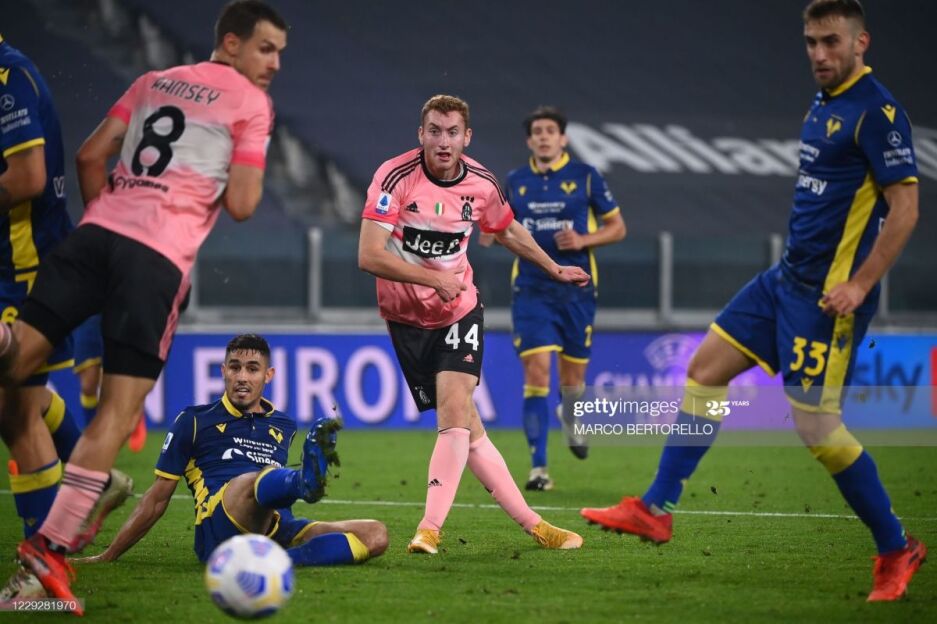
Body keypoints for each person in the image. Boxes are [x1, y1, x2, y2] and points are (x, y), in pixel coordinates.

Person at [581, 0, 925, 601]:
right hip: (783, 281)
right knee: (705, 370)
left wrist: (861, 284)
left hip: (827, 300)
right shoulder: (822, 103)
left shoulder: (877, 113)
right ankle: (656, 509)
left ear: (861, 42)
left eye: (831, 41)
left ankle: (897, 548)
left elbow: (906, 210)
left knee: (818, 429)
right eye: (811, 41)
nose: (819, 53)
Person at [0, 1, 286, 612]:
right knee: (115, 412)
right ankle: (52, 545)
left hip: (94, 237)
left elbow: (89, 156)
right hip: (156, 260)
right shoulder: (252, 104)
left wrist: (108, 224)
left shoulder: (154, 81)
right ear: (231, 44)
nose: (275, 64)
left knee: (14, 362)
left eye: (280, 53)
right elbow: (241, 204)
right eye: (266, 48)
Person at [358, 94, 589, 555]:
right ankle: (536, 525)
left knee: (454, 407)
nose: (443, 142)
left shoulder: (482, 184)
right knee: (469, 426)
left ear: (467, 137)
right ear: (421, 134)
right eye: (435, 131)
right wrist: (432, 279)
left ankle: (429, 528)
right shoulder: (394, 177)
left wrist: (553, 267)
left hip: (459, 308)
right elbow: (369, 255)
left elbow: (506, 228)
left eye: (452, 133)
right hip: (406, 318)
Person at [0, 34, 132, 603]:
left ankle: (43, 568)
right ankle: (89, 487)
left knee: (16, 414)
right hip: (19, 266)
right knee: (18, 408)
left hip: (23, 270)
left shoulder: (9, 78)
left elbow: (27, 177)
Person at [74, 334, 387, 568]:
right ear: (223, 371)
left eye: (252, 369)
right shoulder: (193, 420)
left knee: (375, 535)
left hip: (274, 525)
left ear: (268, 375)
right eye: (235, 368)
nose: (242, 377)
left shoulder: (284, 425)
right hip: (219, 526)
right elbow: (156, 499)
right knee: (253, 479)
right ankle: (303, 482)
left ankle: (275, 560)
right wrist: (109, 554)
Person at [502, 106, 625, 491]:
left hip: (576, 291)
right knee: (537, 373)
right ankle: (538, 469)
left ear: (563, 138)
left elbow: (617, 227)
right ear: (529, 140)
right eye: (537, 131)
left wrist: (584, 239)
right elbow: (500, 228)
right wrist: (491, 233)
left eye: (550, 131)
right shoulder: (515, 181)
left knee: (572, 381)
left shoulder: (586, 176)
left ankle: (571, 415)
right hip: (531, 290)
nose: (543, 137)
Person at [72, 314, 147, 452]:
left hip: (115, 311)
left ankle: (134, 413)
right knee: (88, 384)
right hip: (86, 312)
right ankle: (91, 434)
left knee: (118, 377)